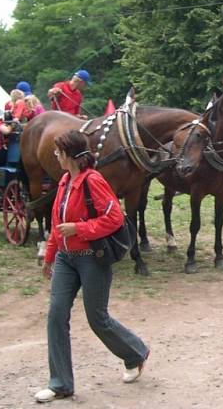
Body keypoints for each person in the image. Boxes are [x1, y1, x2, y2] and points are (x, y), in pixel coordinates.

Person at [36, 130, 148, 403]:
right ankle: (60, 383)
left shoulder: (93, 181)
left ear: (70, 155)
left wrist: (79, 229)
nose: (56, 156)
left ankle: (135, 353)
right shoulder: (64, 181)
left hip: (91, 258)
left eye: (58, 152)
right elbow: (55, 225)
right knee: (55, 316)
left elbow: (113, 220)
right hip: (65, 258)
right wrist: (50, 256)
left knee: (97, 318)